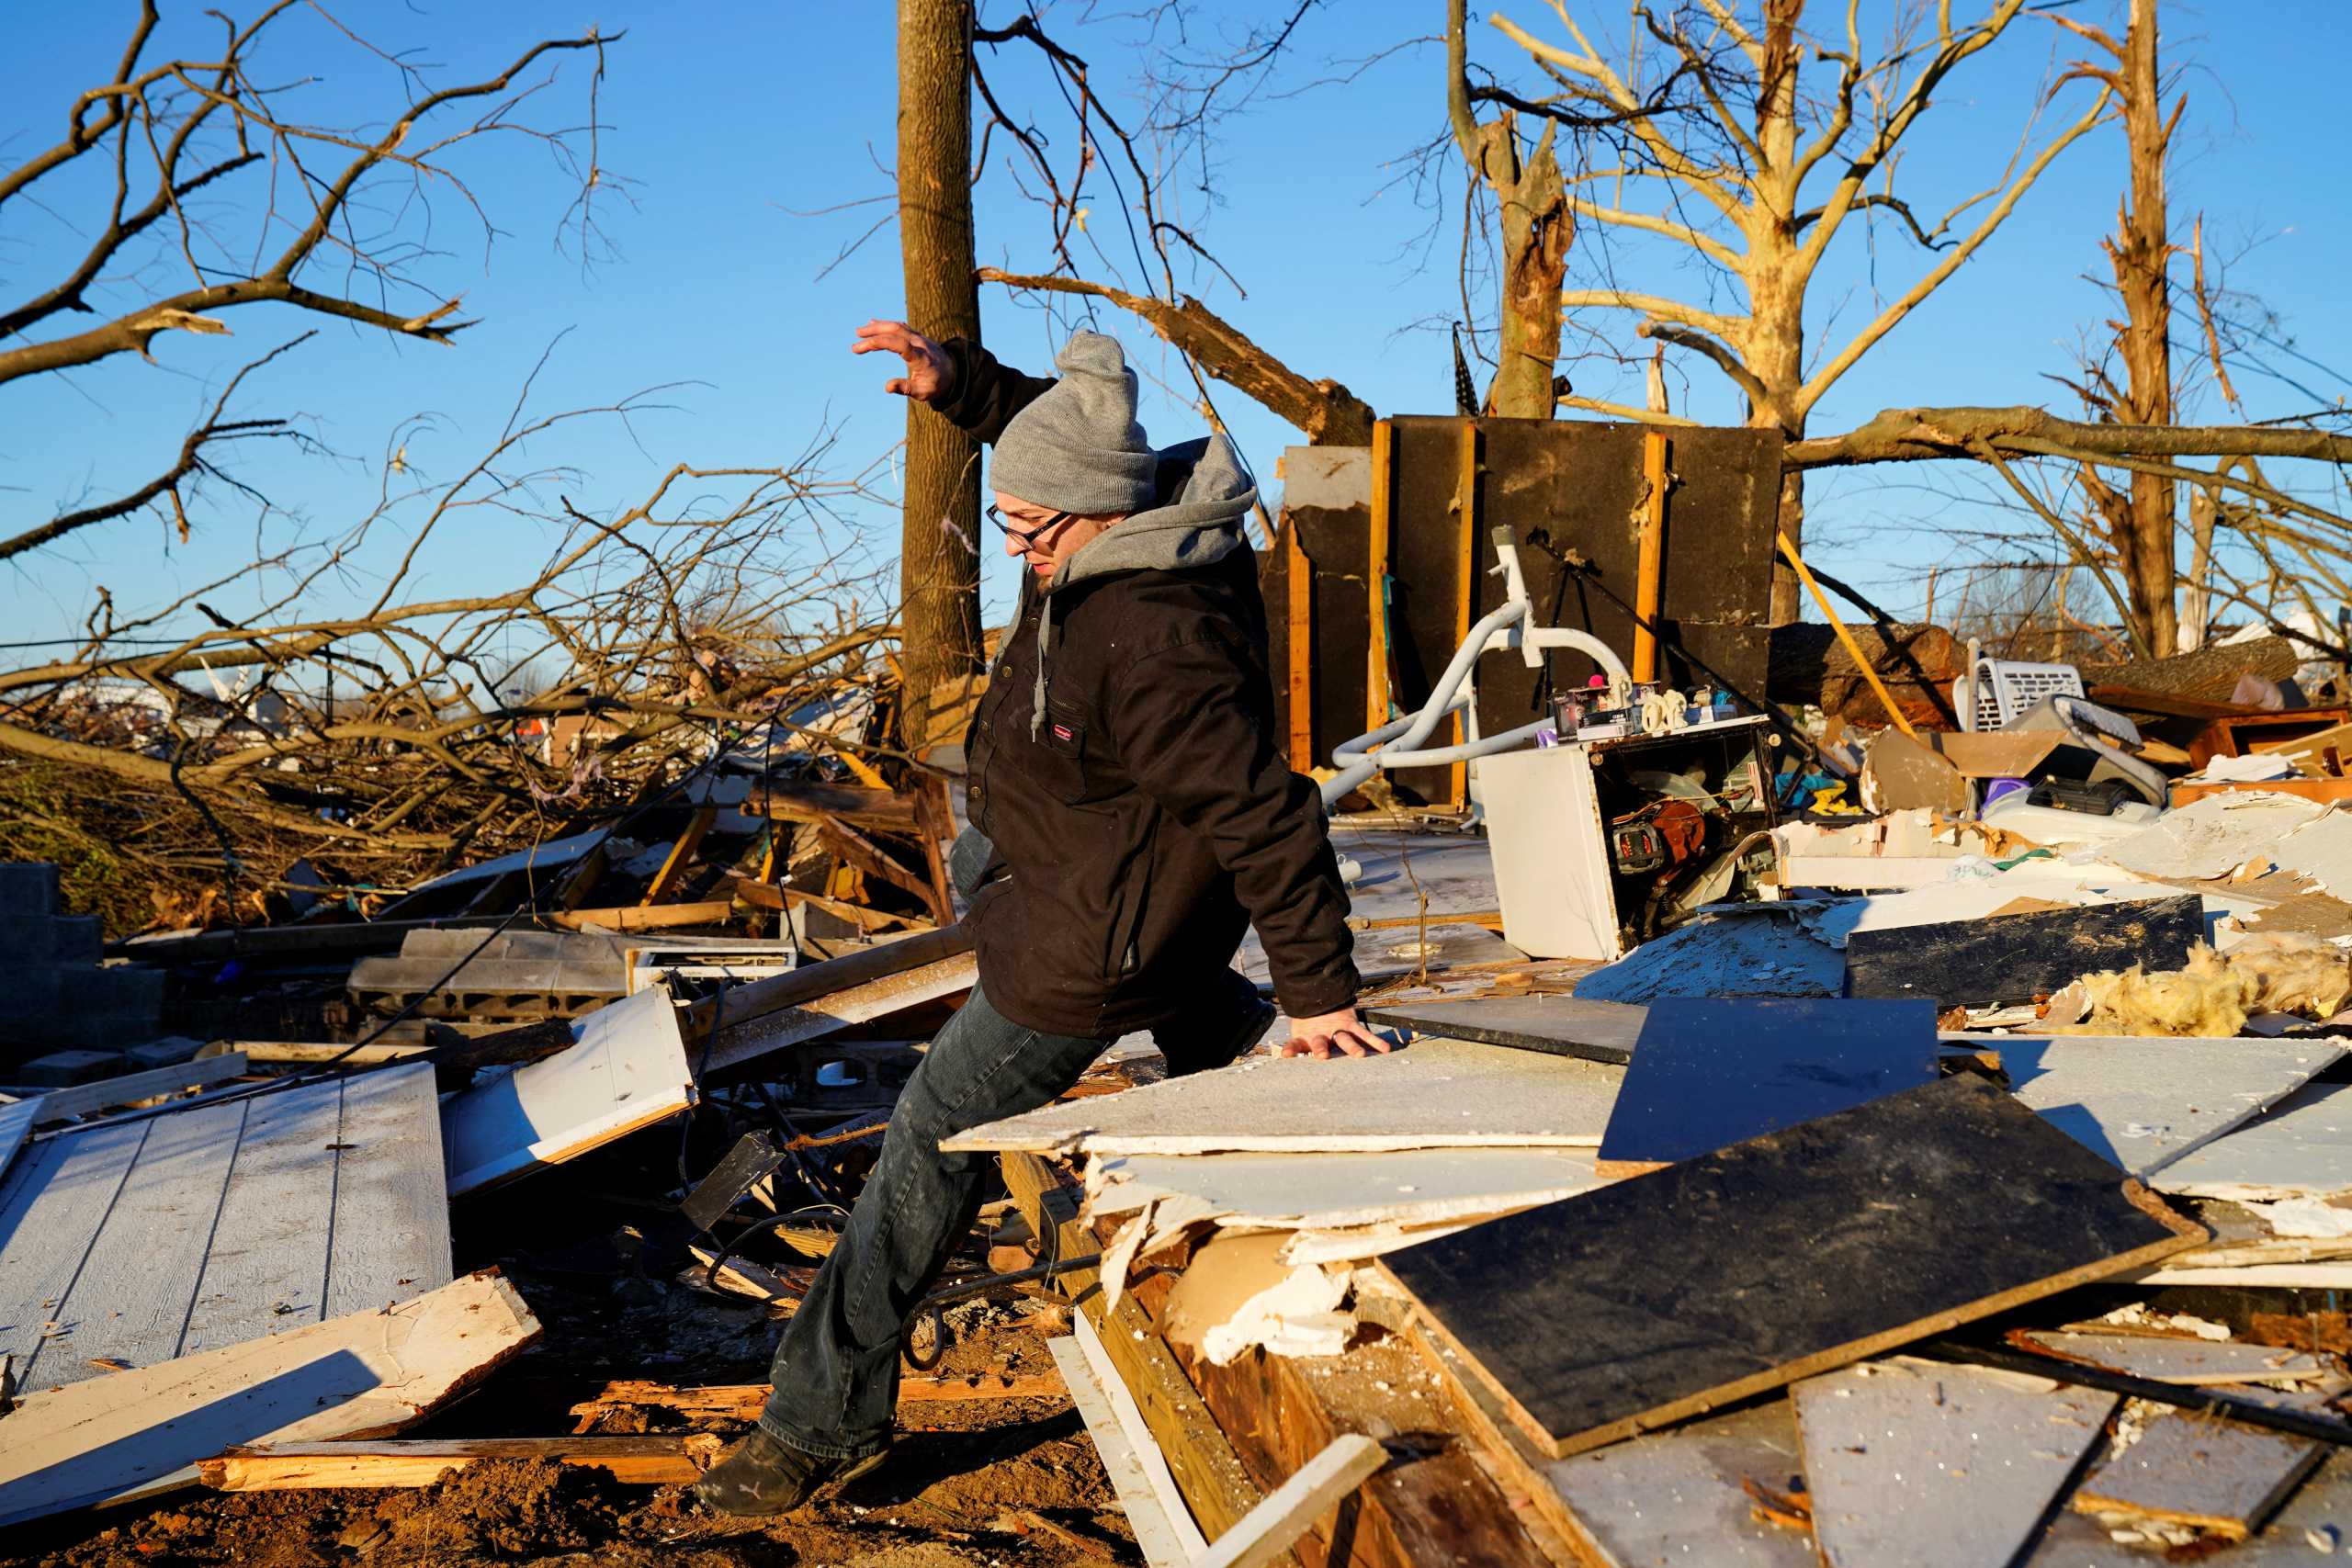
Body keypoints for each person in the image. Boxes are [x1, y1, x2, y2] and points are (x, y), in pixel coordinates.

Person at [695, 320, 1386, 1517]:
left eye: (1027, 530)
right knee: (1216, 1045)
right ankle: (1345, 1162)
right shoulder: (1106, 507)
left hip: (1087, 947)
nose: (1014, 545)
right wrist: (956, 382)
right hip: (1104, 887)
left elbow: (1266, 815)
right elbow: (1046, 437)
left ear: (1098, 520)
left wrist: (1325, 992)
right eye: (1006, 518)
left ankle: (821, 1425)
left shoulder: (1157, 641)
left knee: (928, 1139)